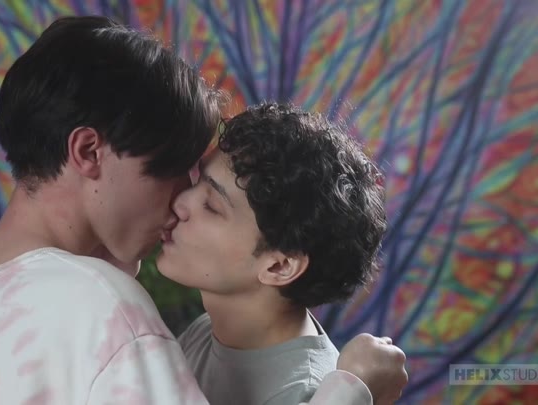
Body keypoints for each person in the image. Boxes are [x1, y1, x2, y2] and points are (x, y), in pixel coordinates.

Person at [0, 16, 406, 404]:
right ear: (87, 152)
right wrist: (353, 392)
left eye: (208, 199)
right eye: (168, 169)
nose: (178, 199)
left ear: (280, 264)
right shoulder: (106, 308)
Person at [157, 102, 406, 405]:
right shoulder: (208, 332)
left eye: (211, 206)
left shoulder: (306, 392)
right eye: (197, 183)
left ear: (280, 266)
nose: (180, 202)